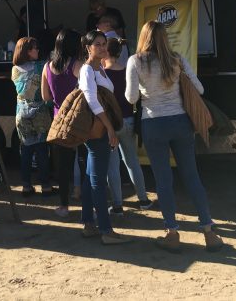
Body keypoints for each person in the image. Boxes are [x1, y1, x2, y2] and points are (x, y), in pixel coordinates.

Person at [125, 21, 223, 253]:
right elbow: (199, 90)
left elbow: (130, 98)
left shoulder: (135, 61)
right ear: (164, 38)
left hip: (153, 124)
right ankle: (209, 231)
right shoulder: (177, 59)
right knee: (191, 176)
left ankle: (172, 232)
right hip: (180, 122)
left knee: (163, 180)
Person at [78, 30, 131, 245]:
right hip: (97, 129)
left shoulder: (99, 68)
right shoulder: (88, 69)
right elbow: (91, 98)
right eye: (97, 44)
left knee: (91, 177)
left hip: (98, 129)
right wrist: (110, 127)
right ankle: (106, 230)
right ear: (88, 48)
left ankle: (89, 224)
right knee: (98, 181)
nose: (102, 47)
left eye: (103, 44)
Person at [103, 37, 153, 214]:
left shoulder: (102, 74)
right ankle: (144, 199)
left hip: (110, 124)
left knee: (112, 165)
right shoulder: (128, 71)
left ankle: (117, 204)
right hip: (129, 120)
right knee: (132, 161)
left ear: (106, 52)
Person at [41, 29, 84, 217]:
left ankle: (64, 206)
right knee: (83, 160)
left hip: (59, 120)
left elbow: (45, 97)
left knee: (63, 166)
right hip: (80, 119)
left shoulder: (47, 67)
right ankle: (81, 194)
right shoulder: (79, 66)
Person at [11, 37, 53, 197]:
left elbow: (22, 91)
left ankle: (26, 186)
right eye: (34, 48)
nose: (37, 50)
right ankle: (46, 186)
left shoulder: (14, 69)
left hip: (21, 114)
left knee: (26, 150)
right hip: (40, 113)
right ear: (27, 51)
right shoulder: (41, 66)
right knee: (42, 150)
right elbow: (45, 92)